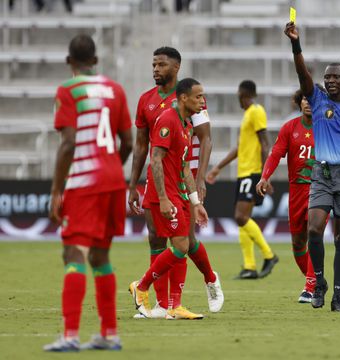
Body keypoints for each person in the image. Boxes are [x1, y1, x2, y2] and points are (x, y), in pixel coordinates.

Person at [44, 34, 133, 352]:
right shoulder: (115, 89)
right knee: (100, 255)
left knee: (74, 253)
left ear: (69, 61)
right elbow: (130, 143)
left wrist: (57, 190)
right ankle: (109, 333)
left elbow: (68, 143)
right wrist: (112, 169)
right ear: (96, 61)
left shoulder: (68, 90)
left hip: (84, 182)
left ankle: (70, 335)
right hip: (112, 182)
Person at [284, 22, 340, 312]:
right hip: (322, 173)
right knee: (314, 229)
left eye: (336, 76)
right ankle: (319, 283)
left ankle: (338, 296)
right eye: (327, 77)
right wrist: (295, 44)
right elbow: (302, 72)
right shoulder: (317, 97)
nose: (331, 80)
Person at [128, 47, 223, 318]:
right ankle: (162, 304)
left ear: (176, 67)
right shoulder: (149, 102)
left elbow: (204, 139)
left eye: (161, 65)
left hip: (183, 179)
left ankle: (206, 280)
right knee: (160, 240)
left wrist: (199, 180)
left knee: (185, 242)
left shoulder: (189, 99)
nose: (156, 69)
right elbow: (143, 148)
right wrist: (133, 184)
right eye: (153, 64)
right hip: (161, 182)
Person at [206, 80, 279, 279]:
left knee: (240, 217)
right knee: (242, 219)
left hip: (253, 173)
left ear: (242, 93)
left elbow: (266, 144)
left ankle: (269, 255)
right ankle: (249, 266)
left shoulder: (256, 111)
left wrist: (266, 175)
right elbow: (240, 148)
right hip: (244, 173)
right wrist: (218, 168)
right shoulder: (248, 115)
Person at [255, 90, 316, 303]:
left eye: (312, 99)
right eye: (305, 99)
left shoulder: (327, 127)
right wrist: (265, 176)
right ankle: (317, 280)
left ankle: (310, 288)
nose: (308, 103)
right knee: (298, 244)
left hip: (320, 190)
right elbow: (276, 153)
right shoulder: (290, 128)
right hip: (297, 191)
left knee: (314, 233)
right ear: (299, 102)